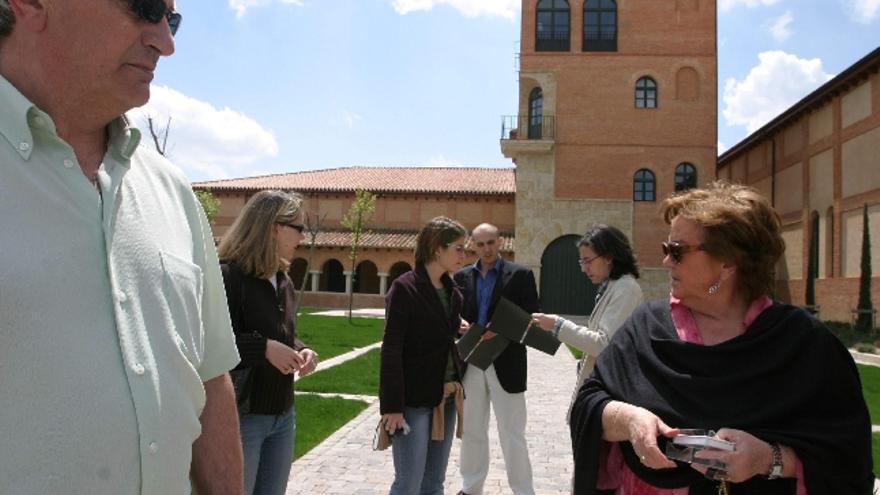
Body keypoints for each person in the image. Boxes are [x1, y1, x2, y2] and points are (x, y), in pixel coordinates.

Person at [0, 1, 243, 493]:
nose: (166, 42)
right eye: (145, 8)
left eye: (170, 20)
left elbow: (210, 381)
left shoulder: (173, 191)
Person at [570, 181, 875, 494]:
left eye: (677, 252)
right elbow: (590, 402)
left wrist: (769, 459)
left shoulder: (804, 345)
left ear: (728, 262)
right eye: (666, 250)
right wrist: (629, 420)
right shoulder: (645, 328)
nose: (665, 261)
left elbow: (848, 457)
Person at [218, 190, 319, 495]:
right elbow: (211, 345)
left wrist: (300, 349)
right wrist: (262, 348)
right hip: (243, 416)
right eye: (298, 228)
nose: (303, 236)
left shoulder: (283, 279)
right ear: (274, 227)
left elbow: (281, 333)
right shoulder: (228, 276)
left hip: (283, 413)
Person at [380, 216, 469, 495]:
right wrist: (392, 406)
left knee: (434, 483)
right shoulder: (404, 288)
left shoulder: (453, 293)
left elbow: (439, 331)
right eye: (458, 248)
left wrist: (458, 328)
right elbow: (392, 348)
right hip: (414, 400)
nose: (463, 255)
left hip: (448, 397)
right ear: (437, 249)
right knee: (408, 482)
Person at [454, 223, 540, 495]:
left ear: (500, 242)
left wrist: (501, 328)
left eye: (491, 242)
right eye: (480, 244)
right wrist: (458, 323)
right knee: (472, 431)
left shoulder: (521, 275)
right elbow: (452, 313)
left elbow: (532, 317)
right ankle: (471, 488)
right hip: (471, 361)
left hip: (507, 361)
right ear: (473, 246)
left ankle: (524, 491)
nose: (486, 249)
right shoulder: (461, 277)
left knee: (512, 433)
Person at [532, 225, 643, 421]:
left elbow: (602, 343)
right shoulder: (612, 286)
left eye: (587, 261)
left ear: (609, 257)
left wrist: (558, 325)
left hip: (609, 394)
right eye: (581, 261)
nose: (583, 269)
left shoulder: (626, 289)